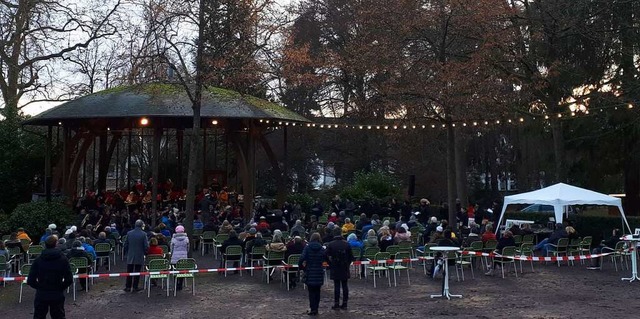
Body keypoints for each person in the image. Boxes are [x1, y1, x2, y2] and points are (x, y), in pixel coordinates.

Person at [28, 235, 73, 319]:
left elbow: (30, 280)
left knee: (39, 316)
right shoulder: (63, 259)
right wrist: (60, 287)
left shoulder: (38, 260)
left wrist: (40, 287)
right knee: (58, 316)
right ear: (56, 244)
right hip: (57, 292)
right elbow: (69, 279)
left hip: (42, 293)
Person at [299, 233, 327, 316]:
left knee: (311, 292)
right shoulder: (321, 248)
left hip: (310, 271)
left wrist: (302, 267)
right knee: (317, 292)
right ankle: (316, 308)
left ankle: (312, 308)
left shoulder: (307, 248)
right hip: (319, 271)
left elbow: (301, 258)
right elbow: (325, 258)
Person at [326, 231, 354, 310]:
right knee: (345, 285)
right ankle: (345, 303)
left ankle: (336, 303)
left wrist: (330, 263)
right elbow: (351, 256)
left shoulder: (331, 244)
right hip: (344, 266)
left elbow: (325, 254)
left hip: (335, 266)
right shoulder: (347, 244)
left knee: (337, 286)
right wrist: (347, 263)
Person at [123, 219, 149, 292]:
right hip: (139, 254)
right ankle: (135, 287)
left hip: (130, 254)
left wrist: (127, 252)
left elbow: (126, 244)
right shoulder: (144, 234)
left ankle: (128, 286)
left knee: (129, 271)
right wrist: (145, 252)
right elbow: (146, 246)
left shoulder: (129, 233)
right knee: (137, 271)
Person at [170, 225, 189, 290]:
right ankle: (180, 284)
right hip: (183, 257)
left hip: (175, 257)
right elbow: (187, 248)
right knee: (182, 271)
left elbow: (171, 249)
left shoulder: (173, 239)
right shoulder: (186, 239)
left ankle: (175, 283)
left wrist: (171, 255)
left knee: (175, 270)